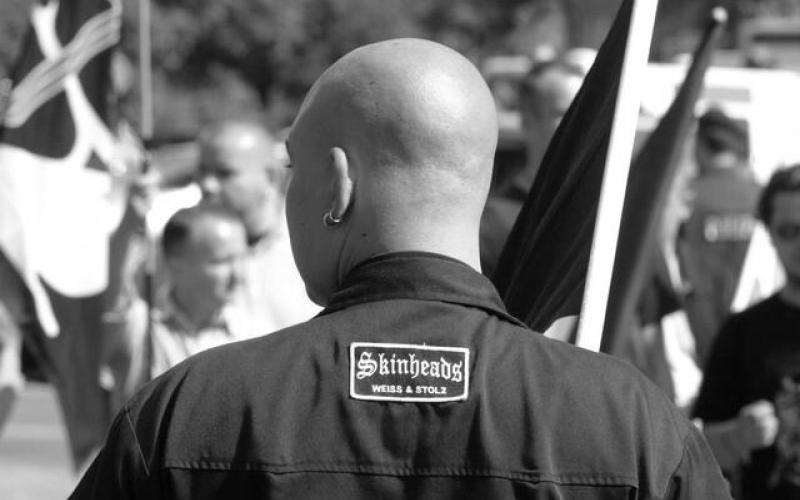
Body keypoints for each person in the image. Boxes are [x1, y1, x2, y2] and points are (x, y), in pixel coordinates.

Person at [70, 38, 730, 499]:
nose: (287, 190)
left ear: (337, 185)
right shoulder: (635, 428)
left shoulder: (191, 415)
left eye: (293, 168)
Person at [693, 163, 800, 500]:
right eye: (788, 231)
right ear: (769, 233)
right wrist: (739, 434)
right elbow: (699, 447)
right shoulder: (743, 332)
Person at [103, 203, 254, 407]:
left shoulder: (253, 333)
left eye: (242, 259)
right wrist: (129, 220)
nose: (238, 274)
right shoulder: (141, 325)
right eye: (222, 261)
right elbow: (115, 294)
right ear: (176, 264)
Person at [196, 119, 320, 333]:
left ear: (271, 177)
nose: (207, 185)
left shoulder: (317, 246)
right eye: (203, 171)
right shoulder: (185, 245)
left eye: (224, 173)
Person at [480, 51, 591, 277]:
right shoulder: (492, 226)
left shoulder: (609, 213)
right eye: (566, 113)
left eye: (588, 112)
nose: (584, 124)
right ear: (527, 121)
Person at [678, 107, 761, 364]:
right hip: (759, 340)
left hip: (698, 342)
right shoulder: (764, 197)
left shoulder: (684, 200)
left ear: (701, 145)